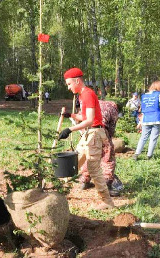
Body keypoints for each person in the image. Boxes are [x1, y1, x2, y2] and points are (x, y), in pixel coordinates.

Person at [58, 67, 114, 210]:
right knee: (75, 160)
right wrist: (70, 115)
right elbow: (84, 117)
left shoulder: (88, 94)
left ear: (77, 81)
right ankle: (61, 190)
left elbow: (89, 120)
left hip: (94, 135)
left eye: (69, 84)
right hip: (88, 135)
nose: (69, 88)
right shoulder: (82, 95)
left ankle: (107, 201)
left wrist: (69, 129)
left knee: (93, 169)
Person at [79, 100, 123, 196]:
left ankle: (84, 180)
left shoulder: (94, 102)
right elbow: (111, 127)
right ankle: (107, 184)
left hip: (87, 131)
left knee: (89, 155)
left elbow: (80, 117)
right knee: (108, 158)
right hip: (100, 130)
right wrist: (108, 140)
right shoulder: (113, 109)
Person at [133, 80, 160, 160]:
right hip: (156, 118)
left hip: (146, 118)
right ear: (159, 87)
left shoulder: (144, 96)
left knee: (143, 137)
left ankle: (136, 154)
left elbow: (142, 108)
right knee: (153, 137)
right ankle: (149, 155)